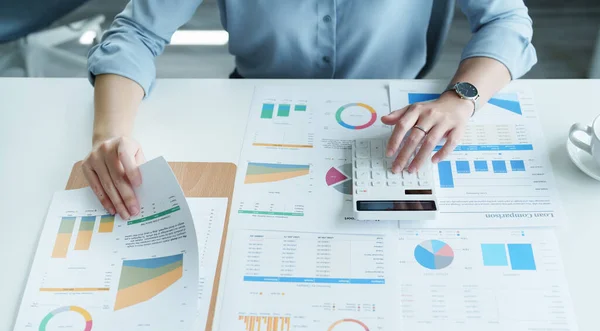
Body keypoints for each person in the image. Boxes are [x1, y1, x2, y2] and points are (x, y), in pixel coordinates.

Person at [82, 0, 537, 220]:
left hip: (395, 122)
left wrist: (462, 98)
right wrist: (110, 134)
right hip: (255, 116)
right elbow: (136, 34)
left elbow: (505, 20)